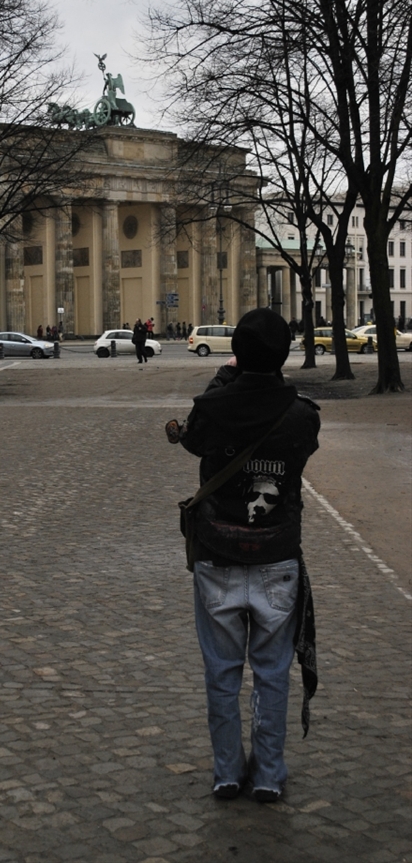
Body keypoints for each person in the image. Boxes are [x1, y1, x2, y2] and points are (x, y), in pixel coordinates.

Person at [166, 308, 320, 804]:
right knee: (273, 675)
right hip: (277, 558)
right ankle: (270, 774)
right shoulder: (302, 415)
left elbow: (190, 437)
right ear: (284, 354)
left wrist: (226, 376)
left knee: (222, 674)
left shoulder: (213, 410)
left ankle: (228, 772)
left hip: (217, 557)